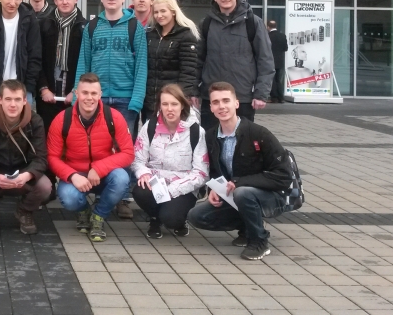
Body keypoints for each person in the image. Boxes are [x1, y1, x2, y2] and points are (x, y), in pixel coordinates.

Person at [187, 82, 294, 260]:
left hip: (271, 196)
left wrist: (240, 183)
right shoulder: (211, 136)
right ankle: (247, 227)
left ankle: (259, 241)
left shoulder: (259, 134)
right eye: (216, 102)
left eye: (226, 100)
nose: (221, 106)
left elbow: (283, 176)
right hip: (235, 194)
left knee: (243, 193)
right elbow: (215, 170)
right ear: (211, 107)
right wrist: (214, 188)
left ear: (236, 103)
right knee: (196, 216)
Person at [73, 0, 147, 218]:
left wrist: (137, 99)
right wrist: (77, 95)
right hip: (96, 99)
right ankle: (98, 192)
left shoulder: (134, 26)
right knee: (98, 147)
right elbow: (83, 62)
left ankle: (123, 198)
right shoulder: (92, 26)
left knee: (124, 148)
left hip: (125, 99)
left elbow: (142, 66)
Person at [47, 74, 134, 242]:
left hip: (104, 174)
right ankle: (84, 211)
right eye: (85, 93)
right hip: (75, 174)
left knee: (122, 178)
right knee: (68, 197)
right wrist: (72, 176)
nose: (89, 98)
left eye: (94, 93)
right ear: (76, 93)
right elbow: (52, 157)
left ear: (100, 94)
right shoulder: (61, 120)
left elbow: (128, 153)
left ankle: (98, 216)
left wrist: (99, 168)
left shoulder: (114, 117)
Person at [0, 80, 50, 235]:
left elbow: (40, 159)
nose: (13, 104)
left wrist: (27, 175)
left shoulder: (35, 121)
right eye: (8, 99)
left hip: (22, 175)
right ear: (0, 100)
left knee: (45, 186)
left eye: (17, 99)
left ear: (25, 101)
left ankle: (24, 211)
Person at [197, 0, 275, 133]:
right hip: (212, 97)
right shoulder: (206, 24)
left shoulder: (253, 22)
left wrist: (261, 93)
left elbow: (265, 59)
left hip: (242, 97)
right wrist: (193, 90)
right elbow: (197, 60)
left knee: (242, 142)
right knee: (210, 141)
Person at [132, 84, 207, 239]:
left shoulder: (196, 131)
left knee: (171, 219)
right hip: (156, 182)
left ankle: (178, 220)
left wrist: (173, 190)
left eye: (174, 104)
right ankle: (155, 218)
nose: (169, 109)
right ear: (159, 106)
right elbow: (137, 159)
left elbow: (201, 173)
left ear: (182, 105)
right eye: (165, 104)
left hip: (183, 186)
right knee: (140, 191)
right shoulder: (149, 127)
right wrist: (144, 174)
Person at [142, 0, 199, 123]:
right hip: (150, 102)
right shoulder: (150, 35)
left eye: (163, 11)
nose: (159, 15)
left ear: (173, 12)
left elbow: (188, 73)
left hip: (172, 103)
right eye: (156, 12)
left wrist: (179, 99)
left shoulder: (186, 35)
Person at [36, 0, 86, 127]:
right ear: (55, 0)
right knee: (47, 134)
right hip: (47, 95)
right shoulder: (43, 25)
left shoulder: (85, 27)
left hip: (73, 95)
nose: (65, 2)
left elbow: (87, 62)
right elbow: (36, 59)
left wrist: (75, 91)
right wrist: (43, 88)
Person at [267, 20, 288, 103]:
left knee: (272, 79)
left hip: (270, 60)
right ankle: (281, 97)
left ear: (268, 27)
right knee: (278, 79)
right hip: (280, 61)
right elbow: (285, 48)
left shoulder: (268, 36)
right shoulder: (282, 36)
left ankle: (274, 97)